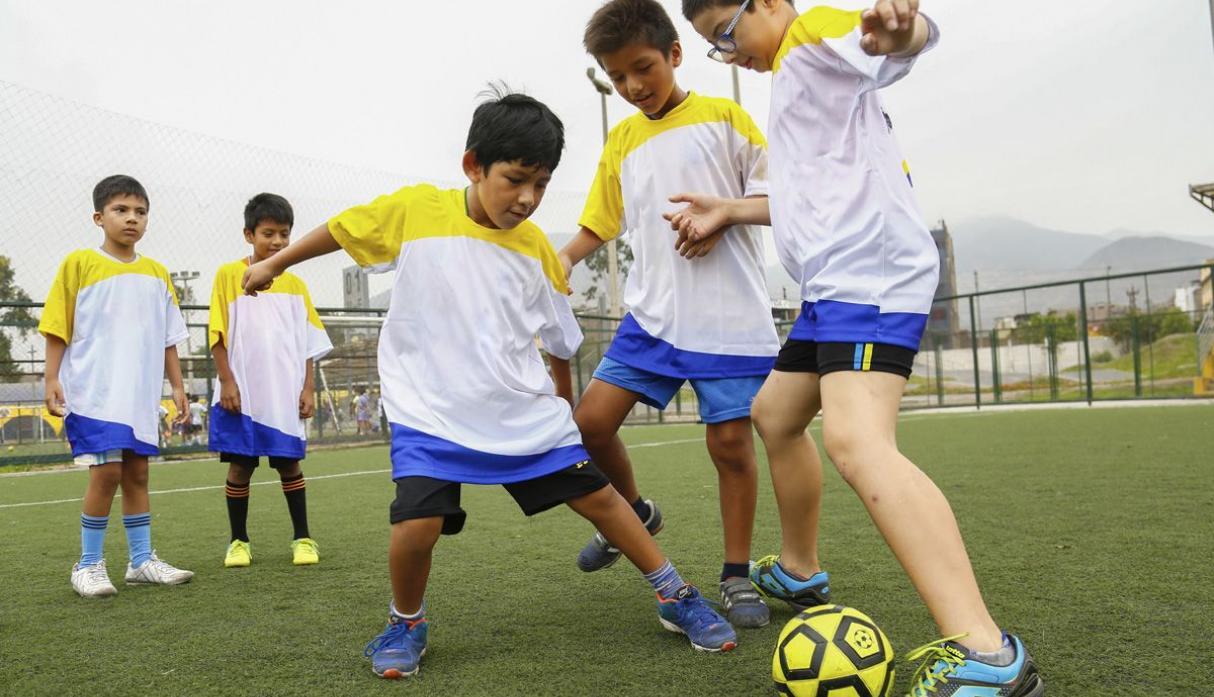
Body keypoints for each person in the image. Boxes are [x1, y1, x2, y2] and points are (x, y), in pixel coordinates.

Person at [242, 88, 738, 679]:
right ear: (473, 166)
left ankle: (674, 593)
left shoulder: (539, 254)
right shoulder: (417, 210)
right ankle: (406, 621)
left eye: (543, 184)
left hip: (518, 411)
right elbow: (342, 230)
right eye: (515, 179)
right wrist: (276, 263)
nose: (528, 199)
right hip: (429, 411)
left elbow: (559, 340)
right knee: (417, 526)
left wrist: (560, 402)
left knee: (603, 499)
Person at [675, 2, 1044, 695]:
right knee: (777, 414)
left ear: (772, 5)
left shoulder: (813, 37)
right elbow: (807, 195)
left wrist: (908, 30)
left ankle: (989, 655)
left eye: (728, 34)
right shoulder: (792, 76)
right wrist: (730, 209)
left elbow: (897, 42)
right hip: (834, 283)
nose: (729, 54)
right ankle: (799, 568)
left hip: (870, 272)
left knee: (856, 440)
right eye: (714, 47)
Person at [559, 0, 777, 629]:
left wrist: (725, 213)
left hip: (728, 319)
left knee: (730, 444)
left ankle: (735, 577)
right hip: (651, 319)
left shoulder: (725, 118)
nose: (632, 87)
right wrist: (565, 258)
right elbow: (599, 221)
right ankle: (634, 512)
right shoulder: (622, 138)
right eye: (618, 76)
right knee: (590, 426)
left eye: (642, 68)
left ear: (675, 55)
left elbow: (779, 198)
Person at [40, 174, 195, 598]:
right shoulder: (79, 264)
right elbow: (57, 326)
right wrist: (52, 377)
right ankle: (87, 564)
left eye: (140, 212)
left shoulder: (158, 273)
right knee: (106, 472)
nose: (132, 219)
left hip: (139, 396)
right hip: (93, 391)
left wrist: (178, 387)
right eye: (121, 210)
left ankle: (141, 561)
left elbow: (168, 338)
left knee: (138, 474)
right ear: (99, 217)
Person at [209, 193, 333, 568]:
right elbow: (217, 334)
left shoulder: (295, 285)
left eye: (284, 234)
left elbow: (307, 342)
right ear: (249, 234)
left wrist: (308, 386)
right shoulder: (228, 275)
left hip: (283, 395)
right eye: (268, 233)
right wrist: (227, 382)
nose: (278, 242)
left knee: (290, 465)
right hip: (242, 394)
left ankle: (303, 538)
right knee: (240, 467)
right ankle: (238, 542)